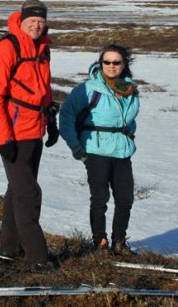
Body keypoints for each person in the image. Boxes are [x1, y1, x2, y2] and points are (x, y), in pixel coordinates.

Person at [0, 0, 60, 272]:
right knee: (28, 194)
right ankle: (37, 258)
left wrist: (51, 123)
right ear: (22, 20)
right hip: (15, 134)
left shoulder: (43, 48)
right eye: (32, 21)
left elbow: (44, 90)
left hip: (35, 130)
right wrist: (4, 140)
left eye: (41, 21)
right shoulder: (8, 47)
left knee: (17, 191)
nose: (37, 25)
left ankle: (9, 248)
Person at [59, 43, 139, 256]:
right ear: (100, 63)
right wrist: (76, 146)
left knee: (125, 198)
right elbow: (66, 116)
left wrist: (128, 136)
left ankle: (119, 242)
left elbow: (129, 120)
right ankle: (100, 243)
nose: (111, 66)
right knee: (99, 198)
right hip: (95, 150)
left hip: (122, 152)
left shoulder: (130, 90)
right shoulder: (87, 89)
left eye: (116, 62)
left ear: (124, 65)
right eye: (107, 62)